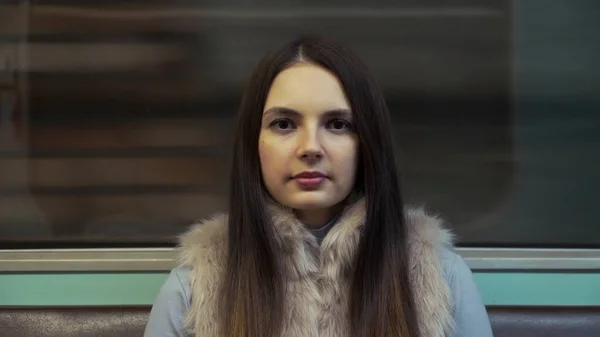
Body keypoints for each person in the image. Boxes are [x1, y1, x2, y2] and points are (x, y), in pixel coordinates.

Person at [143, 36, 493, 337]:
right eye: (283, 124)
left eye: (338, 124)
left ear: (367, 141)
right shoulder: (193, 288)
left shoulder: (441, 278)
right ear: (254, 143)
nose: (310, 146)